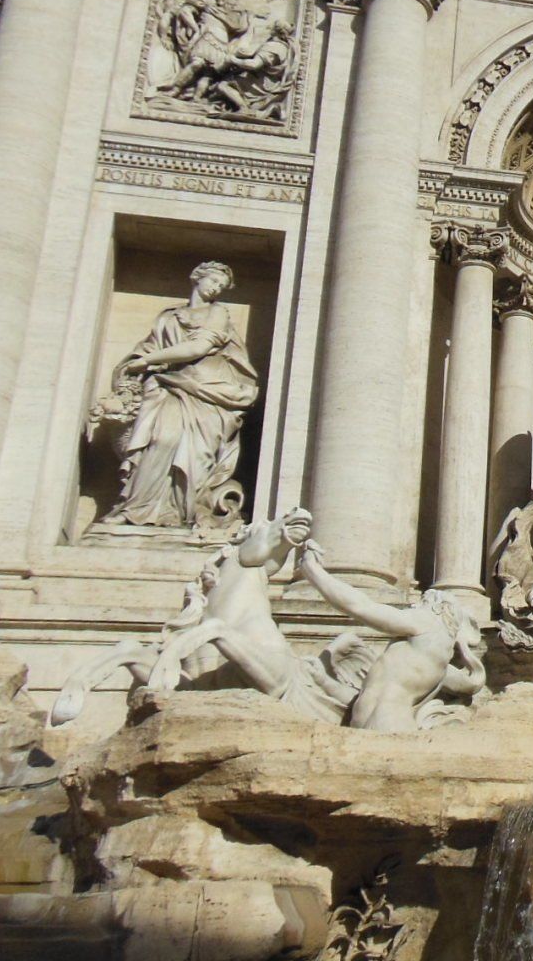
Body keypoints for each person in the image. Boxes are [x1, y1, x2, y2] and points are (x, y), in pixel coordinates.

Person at [96, 261, 260, 531]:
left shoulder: (218, 314)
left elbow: (197, 347)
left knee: (193, 454)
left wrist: (148, 360)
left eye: (221, 285)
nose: (216, 288)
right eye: (213, 280)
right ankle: (135, 509)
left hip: (207, 391)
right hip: (166, 386)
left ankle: (178, 513)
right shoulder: (168, 316)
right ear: (197, 278)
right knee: (160, 440)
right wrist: (139, 362)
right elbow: (146, 348)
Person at [296, 542, 486, 732]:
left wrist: (312, 570)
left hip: (385, 725)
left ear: (437, 607)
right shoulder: (440, 668)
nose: (413, 607)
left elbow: (360, 606)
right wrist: (323, 680)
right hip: (387, 726)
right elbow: (366, 697)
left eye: (421, 602)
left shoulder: (427, 622)